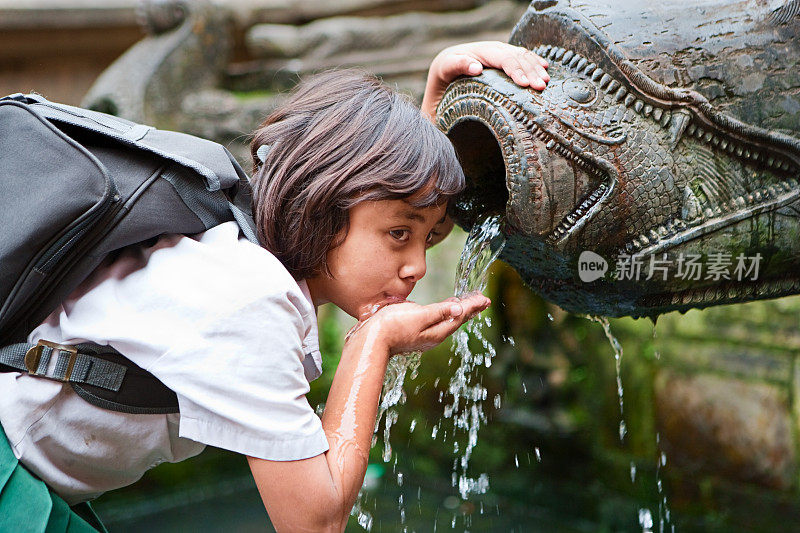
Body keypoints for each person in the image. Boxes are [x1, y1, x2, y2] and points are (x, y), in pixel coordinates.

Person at [0, 41, 548, 532]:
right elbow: (315, 521)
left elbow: (377, 200)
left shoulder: (246, 245)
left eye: (427, 240)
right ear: (319, 209)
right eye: (399, 235)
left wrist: (434, 100)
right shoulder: (250, 301)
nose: (416, 267)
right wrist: (371, 340)